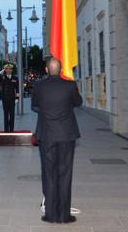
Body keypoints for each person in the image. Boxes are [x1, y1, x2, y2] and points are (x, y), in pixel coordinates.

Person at [32, 57, 82, 224]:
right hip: (67, 134)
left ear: (46, 70)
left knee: (49, 173)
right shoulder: (70, 85)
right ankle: (63, 215)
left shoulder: (39, 86)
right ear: (60, 70)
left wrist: (47, 111)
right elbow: (78, 102)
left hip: (46, 134)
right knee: (65, 173)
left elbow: (34, 106)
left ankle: (51, 215)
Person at [0, 64, 19, 132]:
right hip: (4, 99)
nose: (8, 70)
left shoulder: (15, 78)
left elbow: (17, 89)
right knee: (5, 115)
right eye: (7, 69)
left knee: (12, 115)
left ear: (12, 70)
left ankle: (11, 130)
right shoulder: (2, 77)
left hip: (12, 99)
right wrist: (1, 71)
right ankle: (6, 130)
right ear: (5, 70)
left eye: (10, 69)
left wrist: (17, 98)